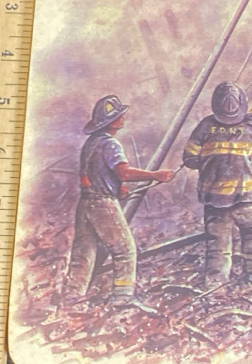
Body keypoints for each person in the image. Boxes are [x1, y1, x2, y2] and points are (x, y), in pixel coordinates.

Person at [63, 95, 174, 308]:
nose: (123, 118)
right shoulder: (111, 144)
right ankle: (123, 297)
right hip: (103, 204)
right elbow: (123, 172)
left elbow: (98, 172)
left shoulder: (91, 143)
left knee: (83, 253)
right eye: (119, 115)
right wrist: (155, 175)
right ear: (111, 122)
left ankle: (71, 298)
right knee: (125, 249)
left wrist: (118, 188)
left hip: (86, 204)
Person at [183, 65, 252, 286]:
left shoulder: (205, 126)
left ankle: (216, 285)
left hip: (215, 200)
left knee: (217, 245)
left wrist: (211, 163)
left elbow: (189, 158)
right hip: (247, 198)